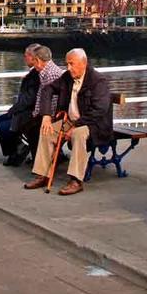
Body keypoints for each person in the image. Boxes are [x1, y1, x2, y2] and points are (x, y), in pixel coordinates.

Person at [24, 48, 112, 196]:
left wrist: (77, 125)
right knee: (47, 130)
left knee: (77, 134)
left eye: (72, 64)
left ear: (83, 63)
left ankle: (76, 180)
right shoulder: (67, 77)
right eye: (67, 64)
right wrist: (46, 115)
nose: (68, 68)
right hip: (71, 120)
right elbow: (47, 89)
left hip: (92, 124)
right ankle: (42, 174)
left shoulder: (98, 81)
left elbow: (99, 110)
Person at [0, 44, 43, 166]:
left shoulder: (36, 75)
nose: (24, 58)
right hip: (25, 110)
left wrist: (13, 110)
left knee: (3, 126)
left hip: (29, 113)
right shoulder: (33, 74)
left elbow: (29, 100)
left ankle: (14, 153)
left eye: (26, 55)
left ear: (33, 57)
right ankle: (18, 147)